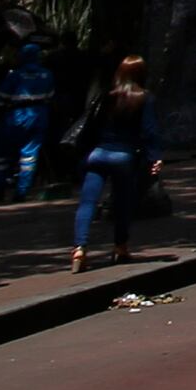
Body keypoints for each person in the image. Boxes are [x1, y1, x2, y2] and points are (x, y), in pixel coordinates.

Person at [63, 55, 159, 273]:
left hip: (97, 154)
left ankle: (79, 248)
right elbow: (150, 131)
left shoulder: (107, 96)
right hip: (124, 156)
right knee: (123, 203)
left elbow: (92, 125)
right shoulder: (144, 98)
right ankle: (120, 246)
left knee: (87, 202)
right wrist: (155, 157)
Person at [0, 35, 60, 200]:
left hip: (14, 117)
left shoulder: (15, 75)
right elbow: (51, 96)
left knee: (2, 154)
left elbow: (0, 98)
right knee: (29, 155)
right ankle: (21, 191)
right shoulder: (47, 75)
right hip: (38, 116)